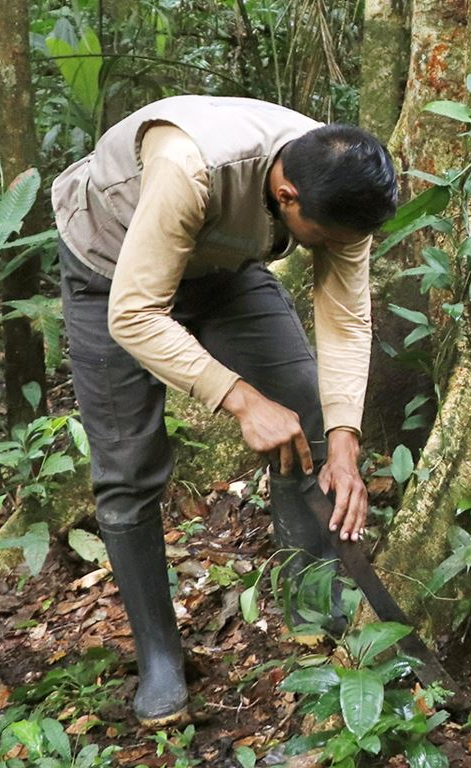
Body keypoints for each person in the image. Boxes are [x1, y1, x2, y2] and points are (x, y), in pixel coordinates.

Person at [53, 96, 398, 724]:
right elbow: (135, 314)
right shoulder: (191, 166)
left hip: (223, 272)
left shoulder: (340, 191)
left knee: (308, 410)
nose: (331, 250)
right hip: (110, 273)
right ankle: (160, 657)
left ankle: (314, 614)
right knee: (128, 469)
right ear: (288, 195)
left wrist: (345, 438)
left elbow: (346, 320)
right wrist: (240, 399)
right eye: (320, 240)